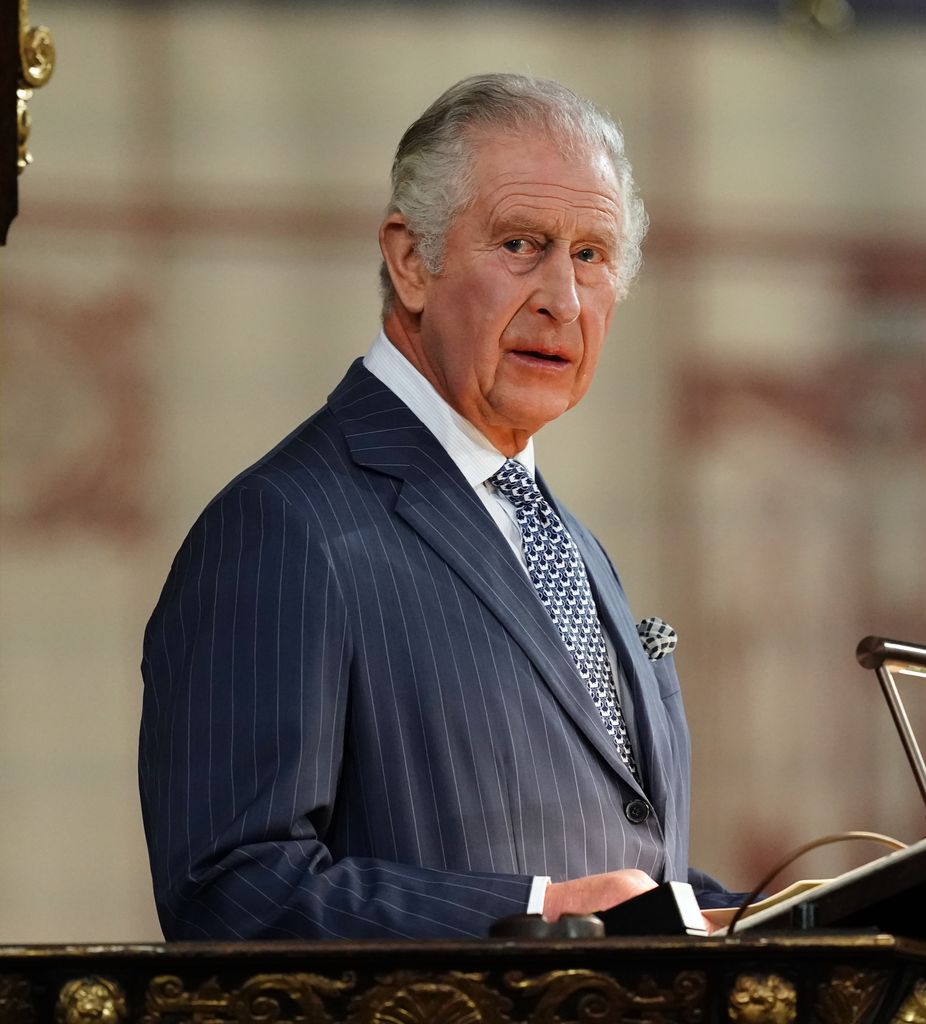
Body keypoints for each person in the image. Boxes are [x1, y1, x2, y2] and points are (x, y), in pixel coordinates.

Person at [139, 72, 739, 941]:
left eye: (591, 255)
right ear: (411, 260)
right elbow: (230, 889)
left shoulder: (564, 537)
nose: (562, 301)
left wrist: (794, 917)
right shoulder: (283, 529)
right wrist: (531, 914)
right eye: (522, 244)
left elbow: (620, 864)